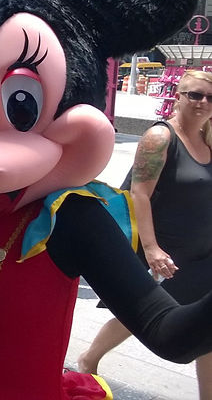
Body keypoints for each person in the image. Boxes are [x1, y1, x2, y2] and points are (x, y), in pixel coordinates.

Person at [78, 69, 212, 398]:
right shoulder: (160, 137)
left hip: (202, 253)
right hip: (167, 251)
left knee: (205, 329)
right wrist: (151, 249)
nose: (203, 102)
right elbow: (139, 193)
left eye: (210, 97)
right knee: (143, 315)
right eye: (195, 95)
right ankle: (89, 359)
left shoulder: (208, 139)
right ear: (178, 96)